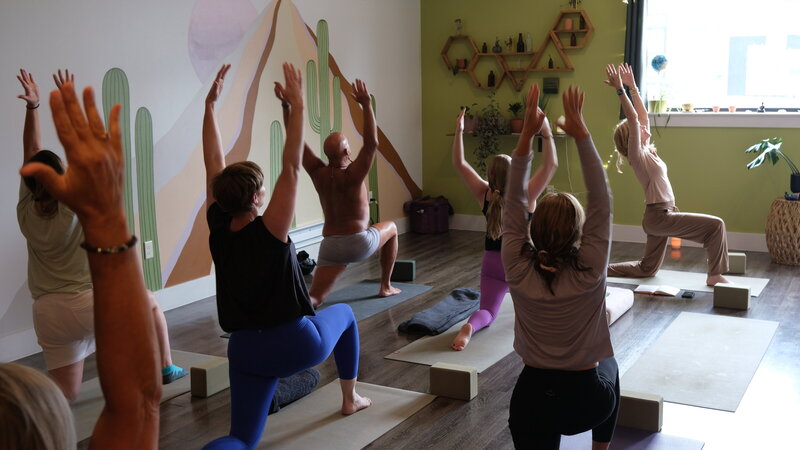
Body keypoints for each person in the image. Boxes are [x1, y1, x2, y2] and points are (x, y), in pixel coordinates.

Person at [202, 63, 371, 449]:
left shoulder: (217, 223)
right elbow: (292, 167)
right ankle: (350, 400)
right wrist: (295, 106)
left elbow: (212, 160)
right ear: (257, 198)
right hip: (296, 345)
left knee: (240, 439)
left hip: (244, 351)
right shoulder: (270, 229)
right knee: (344, 315)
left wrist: (210, 108)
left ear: (223, 198)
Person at [15, 69, 186, 403]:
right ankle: (166, 367)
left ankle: (27, 416)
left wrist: (33, 109)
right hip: (86, 303)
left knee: (65, 396)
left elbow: (31, 151)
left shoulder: (25, 210)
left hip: (47, 313)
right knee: (150, 306)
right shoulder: (73, 204)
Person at [503, 84, 619, 449]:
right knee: (611, 366)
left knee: (535, 417)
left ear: (532, 229)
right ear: (579, 232)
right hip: (589, 404)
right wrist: (580, 132)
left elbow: (513, 201)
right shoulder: (590, 270)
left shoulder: (517, 268)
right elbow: (602, 201)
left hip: (531, 404)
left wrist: (526, 135)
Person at [605, 63, 729, 286]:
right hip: (659, 216)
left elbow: (641, 116)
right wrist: (620, 91)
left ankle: (600, 270)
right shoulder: (638, 158)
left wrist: (632, 86)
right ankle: (715, 275)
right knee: (716, 226)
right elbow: (634, 120)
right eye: (639, 129)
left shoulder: (647, 151)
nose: (644, 127)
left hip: (662, 215)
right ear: (631, 138)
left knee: (647, 270)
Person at [449, 106, 557, 351]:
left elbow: (459, 162)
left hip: (492, 262)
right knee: (541, 304)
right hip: (520, 264)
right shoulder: (526, 195)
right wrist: (546, 129)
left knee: (487, 310)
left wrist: (459, 131)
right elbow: (550, 165)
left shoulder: (485, 193)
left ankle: (469, 327)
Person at [299, 79, 400, 307]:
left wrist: (290, 110)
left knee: (314, 298)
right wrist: (366, 105)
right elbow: (372, 143)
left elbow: (298, 144)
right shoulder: (353, 174)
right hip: (358, 243)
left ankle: (282, 313)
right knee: (392, 228)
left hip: (330, 246)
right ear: (347, 150)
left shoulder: (318, 172)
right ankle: (385, 286)